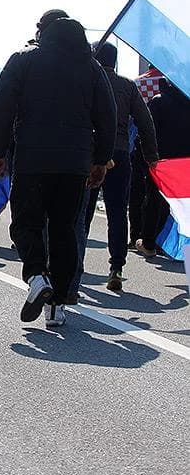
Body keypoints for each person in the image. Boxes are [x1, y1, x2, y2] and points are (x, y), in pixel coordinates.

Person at [0, 11, 116, 328]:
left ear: (42, 31)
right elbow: (108, 114)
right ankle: (58, 305)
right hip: (74, 163)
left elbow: (1, 103)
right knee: (64, 230)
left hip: (33, 158)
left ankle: (35, 277)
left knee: (25, 224)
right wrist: (101, 158)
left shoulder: (24, 60)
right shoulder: (92, 68)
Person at [80, 42, 158, 291]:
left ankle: (75, 265)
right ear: (114, 61)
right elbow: (145, 122)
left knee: (83, 212)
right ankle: (116, 266)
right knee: (116, 211)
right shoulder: (127, 86)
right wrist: (151, 155)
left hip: (90, 153)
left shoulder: (87, 82)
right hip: (120, 152)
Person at [136, 77, 190, 256]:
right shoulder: (187, 103)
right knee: (176, 203)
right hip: (183, 162)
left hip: (160, 160)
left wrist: (145, 154)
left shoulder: (158, 102)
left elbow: (147, 129)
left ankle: (149, 242)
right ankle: (166, 242)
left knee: (153, 199)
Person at [129, 65, 164, 246]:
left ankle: (136, 235)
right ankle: (157, 238)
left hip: (138, 147)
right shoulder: (176, 88)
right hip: (167, 151)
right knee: (159, 197)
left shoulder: (138, 83)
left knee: (137, 192)